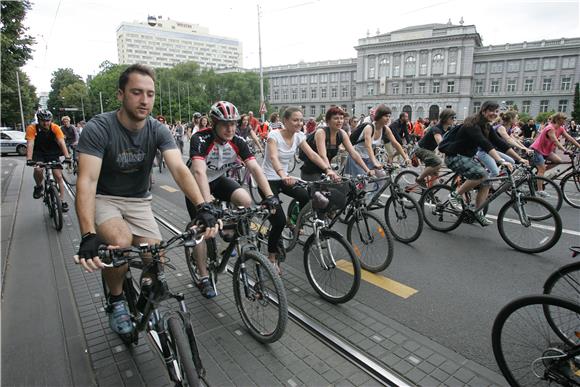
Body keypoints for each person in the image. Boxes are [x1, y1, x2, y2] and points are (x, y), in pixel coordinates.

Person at [73, 64, 218, 336]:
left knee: (156, 257)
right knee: (120, 243)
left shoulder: (157, 129)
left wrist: (202, 206)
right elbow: (87, 181)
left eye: (150, 94)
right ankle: (116, 300)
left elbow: (178, 169)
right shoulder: (99, 127)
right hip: (105, 198)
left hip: (139, 201)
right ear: (120, 94)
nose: (144, 100)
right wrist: (87, 234)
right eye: (137, 92)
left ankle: (143, 297)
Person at [186, 101, 279, 298]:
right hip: (196, 183)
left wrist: (270, 196)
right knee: (201, 230)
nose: (230, 129)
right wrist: (207, 205)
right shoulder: (201, 138)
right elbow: (199, 172)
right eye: (225, 124)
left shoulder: (238, 141)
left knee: (245, 200)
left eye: (234, 124)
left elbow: (255, 169)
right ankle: (203, 277)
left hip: (218, 179)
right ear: (214, 123)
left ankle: (229, 232)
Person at [261, 107, 338, 271]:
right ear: (285, 121)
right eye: (295, 120)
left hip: (284, 178)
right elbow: (273, 157)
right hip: (268, 179)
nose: (299, 123)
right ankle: (272, 257)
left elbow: (313, 155)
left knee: (305, 197)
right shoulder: (273, 136)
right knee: (278, 222)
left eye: (301, 120)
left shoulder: (299, 136)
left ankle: (293, 221)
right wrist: (282, 174)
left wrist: (327, 170)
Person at [440, 101, 514, 227]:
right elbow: (485, 144)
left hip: (467, 157)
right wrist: (500, 160)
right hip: (454, 156)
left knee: (487, 181)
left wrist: (520, 157)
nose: (494, 114)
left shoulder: (486, 126)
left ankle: (478, 212)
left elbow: (500, 143)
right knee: (482, 175)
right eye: (491, 111)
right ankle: (455, 195)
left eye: (496, 111)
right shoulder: (472, 124)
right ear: (483, 111)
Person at [301, 106, 374, 181]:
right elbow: (323, 155)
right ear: (328, 121)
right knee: (325, 191)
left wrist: (367, 170)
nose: (340, 121)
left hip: (327, 169)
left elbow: (353, 153)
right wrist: (330, 171)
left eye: (341, 118)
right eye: (336, 118)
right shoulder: (321, 132)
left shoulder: (342, 133)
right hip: (312, 171)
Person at [344, 104, 410, 177]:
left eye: (389, 116)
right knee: (361, 183)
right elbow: (368, 146)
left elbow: (395, 143)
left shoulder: (385, 129)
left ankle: (377, 188)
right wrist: (375, 162)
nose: (388, 118)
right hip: (356, 158)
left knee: (382, 175)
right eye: (385, 116)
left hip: (368, 158)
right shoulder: (369, 128)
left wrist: (405, 157)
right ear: (379, 116)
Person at [25, 109, 72, 211]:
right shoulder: (32, 128)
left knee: (58, 176)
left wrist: (67, 157)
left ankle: (62, 201)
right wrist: (29, 158)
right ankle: (38, 187)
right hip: (39, 153)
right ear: (39, 120)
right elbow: (30, 143)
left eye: (48, 120)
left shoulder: (55, 127)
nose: (46, 123)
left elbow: (61, 142)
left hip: (52, 153)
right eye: (43, 121)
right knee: (38, 169)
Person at [530, 112, 580, 194]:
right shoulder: (550, 128)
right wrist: (565, 150)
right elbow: (555, 141)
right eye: (563, 119)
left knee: (558, 161)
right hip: (537, 150)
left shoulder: (561, 128)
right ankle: (539, 190)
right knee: (542, 168)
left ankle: (539, 174)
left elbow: (569, 138)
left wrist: (579, 146)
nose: (565, 121)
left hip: (546, 151)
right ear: (557, 119)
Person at [414, 109, 456, 186]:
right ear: (446, 118)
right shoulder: (436, 129)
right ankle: (419, 179)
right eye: (452, 117)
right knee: (438, 163)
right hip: (421, 149)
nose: (454, 119)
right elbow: (441, 144)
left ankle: (430, 194)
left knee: (435, 174)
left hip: (429, 150)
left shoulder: (448, 128)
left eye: (454, 117)